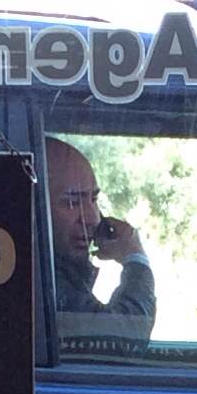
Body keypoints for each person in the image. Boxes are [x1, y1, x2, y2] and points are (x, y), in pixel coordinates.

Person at [45, 134, 156, 355]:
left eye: (93, 200)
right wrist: (136, 259)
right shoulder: (40, 283)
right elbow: (123, 340)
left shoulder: (55, 276)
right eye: (71, 202)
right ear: (36, 208)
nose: (92, 218)